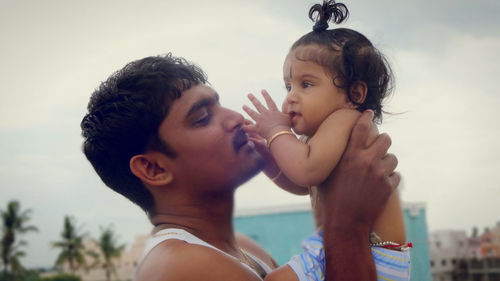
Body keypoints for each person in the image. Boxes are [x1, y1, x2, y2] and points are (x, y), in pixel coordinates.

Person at [80, 53, 400, 281]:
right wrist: (347, 223)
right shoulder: (180, 267)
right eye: (202, 118)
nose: (234, 117)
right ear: (152, 168)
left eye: (218, 104)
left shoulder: (243, 248)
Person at [243, 1, 410, 280]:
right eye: (288, 85)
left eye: (306, 84)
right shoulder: (320, 137)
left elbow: (306, 170)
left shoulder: (345, 119)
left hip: (373, 253)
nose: (291, 96)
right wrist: (268, 160)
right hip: (356, 246)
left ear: (354, 94)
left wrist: (275, 133)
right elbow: (303, 183)